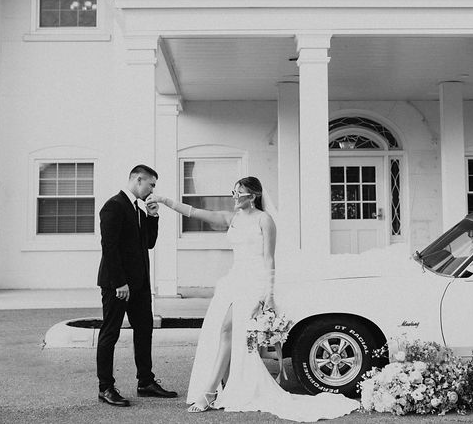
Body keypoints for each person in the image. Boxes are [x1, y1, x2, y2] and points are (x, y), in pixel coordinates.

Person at [148, 176, 359, 421]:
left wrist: (268, 294)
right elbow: (195, 212)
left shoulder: (264, 220)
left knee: (228, 329)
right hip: (233, 281)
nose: (235, 197)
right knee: (222, 332)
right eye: (234, 192)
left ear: (253, 196)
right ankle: (217, 389)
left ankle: (209, 393)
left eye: (240, 193)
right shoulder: (233, 218)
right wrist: (163, 200)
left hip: (254, 282)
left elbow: (269, 258)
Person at [96, 164, 178, 406]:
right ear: (138, 179)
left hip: (140, 285)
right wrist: (119, 282)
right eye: (151, 184)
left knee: (144, 331)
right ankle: (105, 388)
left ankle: (145, 382)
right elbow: (109, 248)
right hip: (117, 285)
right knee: (110, 333)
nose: (152, 189)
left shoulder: (140, 211)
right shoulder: (114, 206)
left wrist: (153, 216)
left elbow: (148, 244)